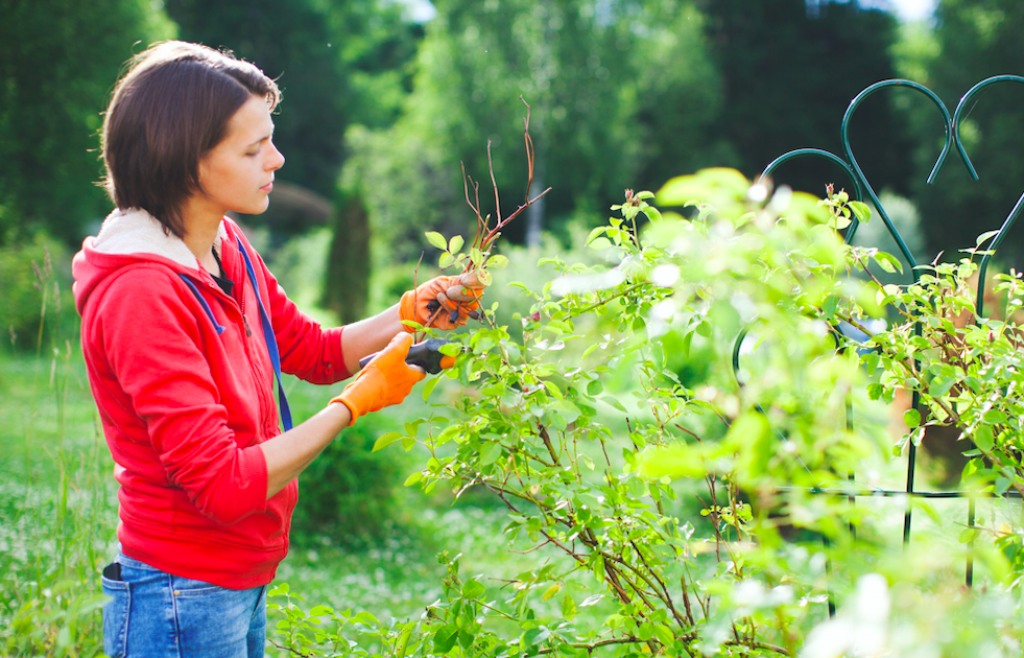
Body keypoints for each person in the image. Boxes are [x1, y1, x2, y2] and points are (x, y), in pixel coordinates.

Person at [71, 41, 484, 658]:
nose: (277, 158)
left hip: (237, 576)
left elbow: (311, 350)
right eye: (252, 148)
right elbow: (222, 485)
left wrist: (408, 309)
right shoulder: (142, 293)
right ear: (186, 163)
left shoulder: (222, 244)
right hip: (182, 591)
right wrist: (358, 403)